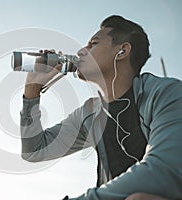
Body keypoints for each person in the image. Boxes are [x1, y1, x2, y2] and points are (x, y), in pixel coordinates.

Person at [19, 15, 182, 200]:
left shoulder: (166, 94)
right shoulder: (89, 114)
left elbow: (164, 171)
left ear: (122, 51)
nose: (81, 51)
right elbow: (34, 151)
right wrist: (32, 92)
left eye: (93, 44)